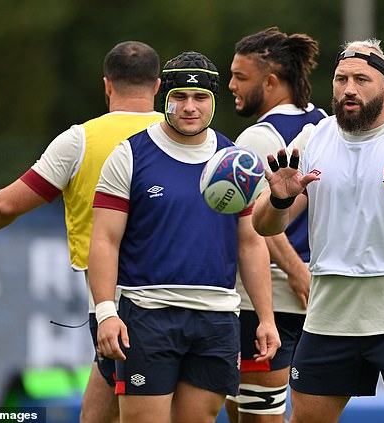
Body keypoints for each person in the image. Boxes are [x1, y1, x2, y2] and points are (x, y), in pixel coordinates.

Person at [252, 38, 384, 423]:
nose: (349, 89)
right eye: (341, 79)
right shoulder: (313, 139)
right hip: (333, 310)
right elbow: (265, 225)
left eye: (361, 79)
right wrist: (279, 199)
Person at [0, 40, 163, 423]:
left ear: (107, 85)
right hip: (194, 298)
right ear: (157, 86)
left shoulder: (80, 141)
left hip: (115, 300)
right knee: (100, 411)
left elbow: (6, 205)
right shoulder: (191, 139)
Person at [89, 51, 281, 423]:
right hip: (147, 315)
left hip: (218, 318)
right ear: (164, 96)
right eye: (180, 97)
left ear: (214, 100)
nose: (189, 107)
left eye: (200, 98)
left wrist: (266, 317)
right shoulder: (129, 155)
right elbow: (104, 241)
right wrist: (106, 312)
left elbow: (251, 242)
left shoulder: (235, 160)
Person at [226, 27, 326, 423]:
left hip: (269, 295)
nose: (231, 85)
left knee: (256, 415)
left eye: (240, 76)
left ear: (270, 82)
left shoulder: (256, 138)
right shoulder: (326, 124)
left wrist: (296, 271)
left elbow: (256, 223)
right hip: (317, 293)